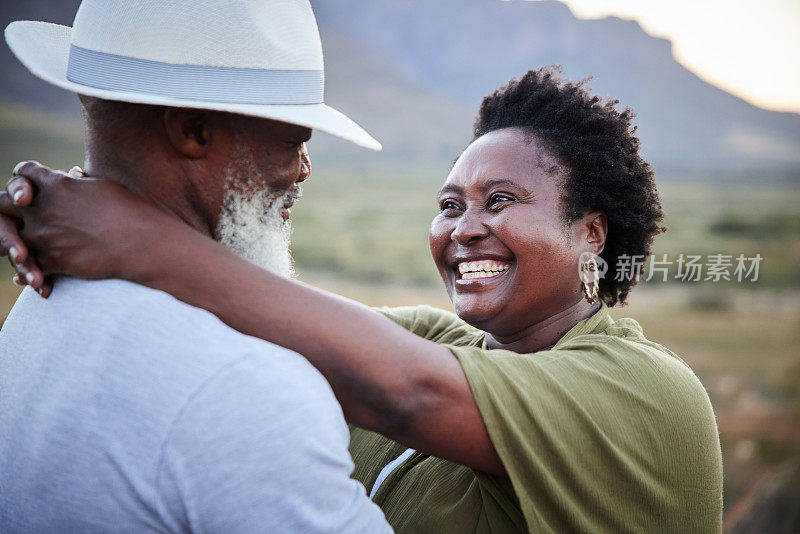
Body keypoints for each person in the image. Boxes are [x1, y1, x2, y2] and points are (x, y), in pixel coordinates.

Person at [1, 67, 724, 534]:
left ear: (591, 234)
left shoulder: (649, 392)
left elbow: (406, 392)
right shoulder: (437, 342)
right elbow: (262, 311)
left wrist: (132, 236)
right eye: (449, 206)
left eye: (499, 201)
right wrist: (100, 198)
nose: (465, 229)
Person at [0, 1, 392, 532]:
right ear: (194, 131)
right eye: (293, 140)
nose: (303, 169)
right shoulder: (249, 388)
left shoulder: (39, 300)